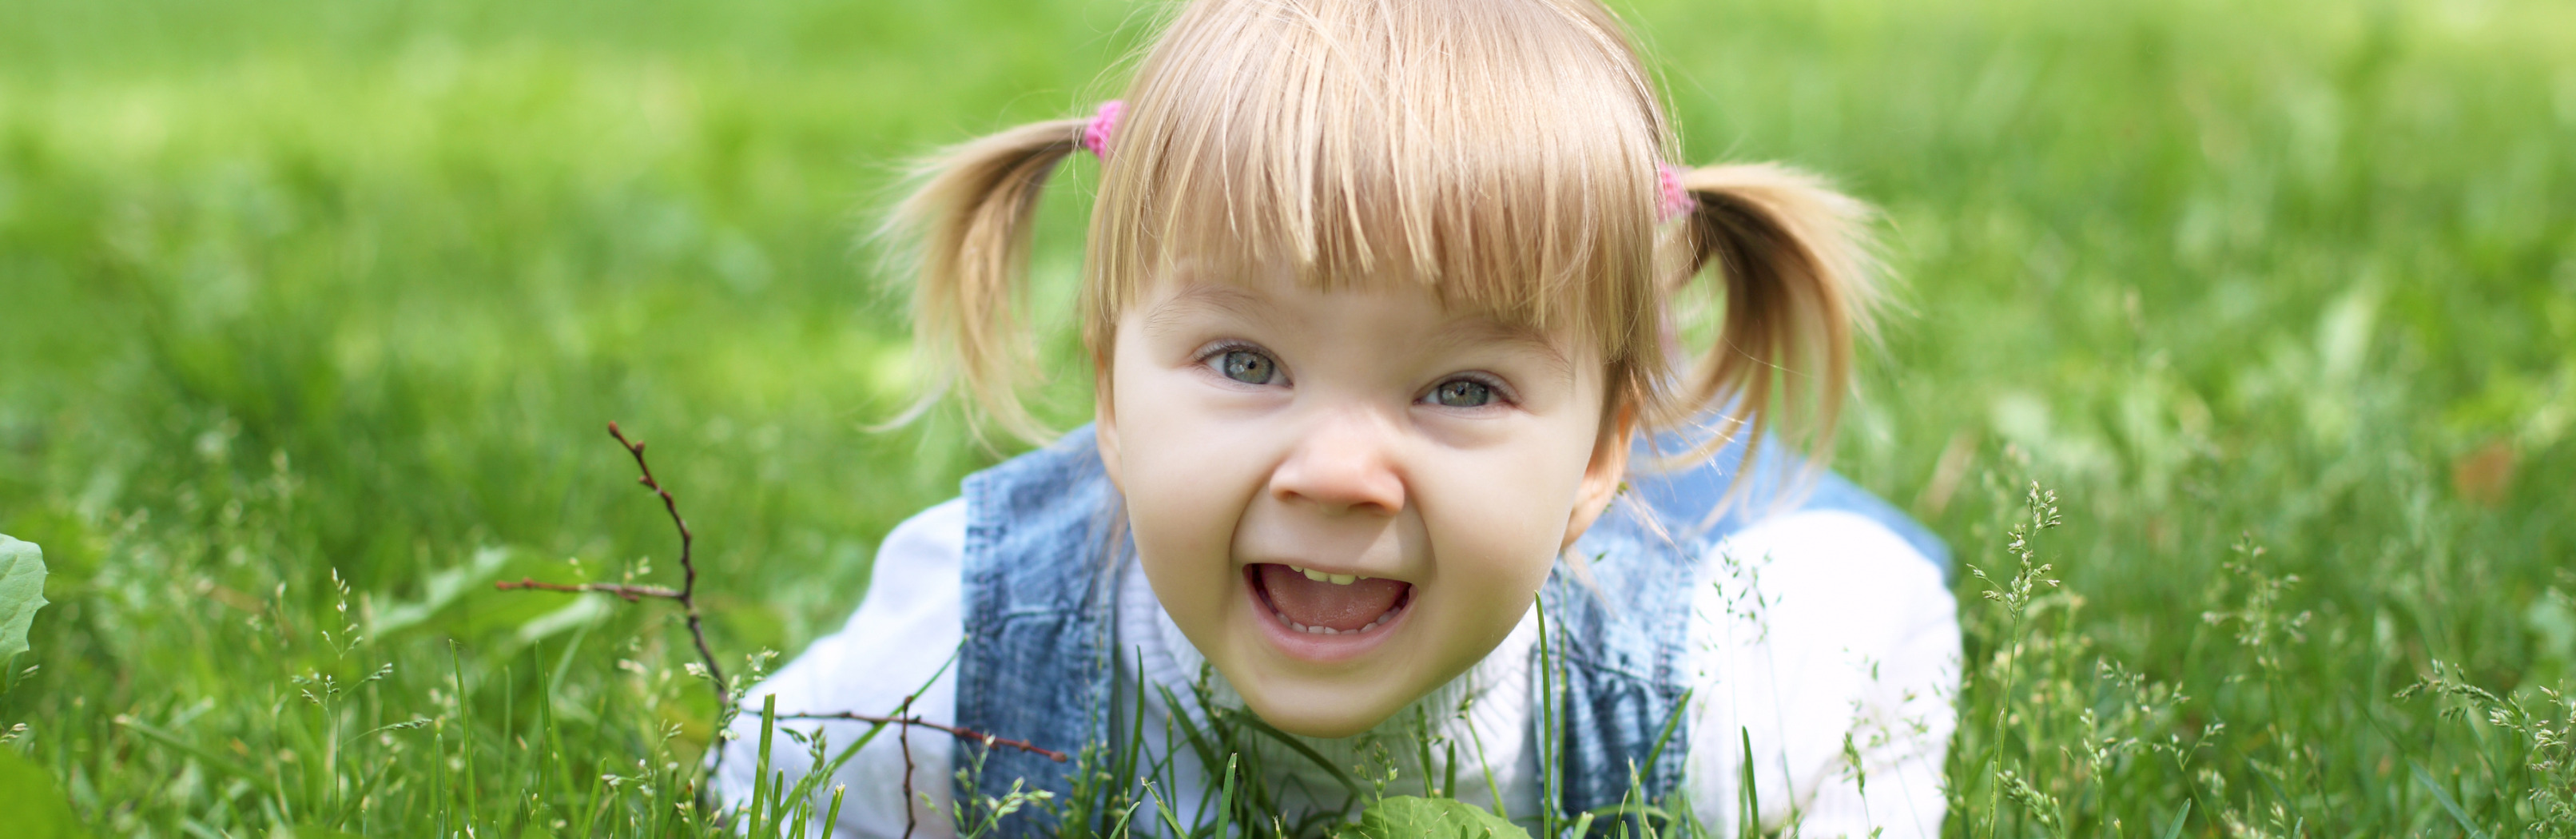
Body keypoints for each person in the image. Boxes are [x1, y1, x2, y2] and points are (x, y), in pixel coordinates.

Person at [717, 1, 1960, 836]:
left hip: (1664, 509)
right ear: (1108, 394)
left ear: (1594, 455)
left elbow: (1898, 621)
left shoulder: (1707, 664)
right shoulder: (967, 649)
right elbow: (760, 781)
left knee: (1707, 459)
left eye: (1460, 386)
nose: (1339, 469)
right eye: (1247, 361)